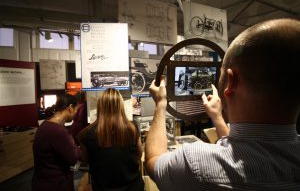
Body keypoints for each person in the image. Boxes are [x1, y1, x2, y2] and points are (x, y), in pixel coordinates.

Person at [145, 18, 300, 190]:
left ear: (230, 82)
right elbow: (244, 147)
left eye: (220, 73)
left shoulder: (195, 164)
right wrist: (217, 117)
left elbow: (153, 161)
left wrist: (160, 103)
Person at [79, 88, 144, 191]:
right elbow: (139, 154)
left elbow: (85, 161)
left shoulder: (86, 134)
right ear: (121, 106)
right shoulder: (132, 128)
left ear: (100, 106)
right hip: (133, 187)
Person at [32, 94, 81, 191]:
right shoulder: (58, 131)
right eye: (76, 109)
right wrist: (77, 148)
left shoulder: (45, 125)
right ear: (70, 108)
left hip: (42, 182)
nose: (76, 113)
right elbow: (73, 159)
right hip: (56, 184)